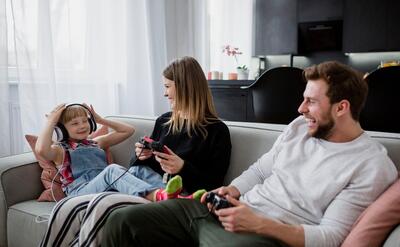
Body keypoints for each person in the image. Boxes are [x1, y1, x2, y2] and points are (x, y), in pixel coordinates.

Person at [102, 61, 398, 247]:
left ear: (341, 107)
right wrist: (230, 189)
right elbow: (259, 171)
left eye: (310, 102)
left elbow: (331, 237)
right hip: (222, 212)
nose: (300, 109)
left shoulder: (370, 164)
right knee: (121, 221)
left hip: (262, 234)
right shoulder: (298, 128)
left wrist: (257, 224)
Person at [40, 56, 232, 247]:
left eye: (167, 86)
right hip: (147, 188)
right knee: (123, 178)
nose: (165, 94)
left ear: (184, 87)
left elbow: (213, 184)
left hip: (182, 196)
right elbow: (140, 166)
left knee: (105, 202)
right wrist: (141, 155)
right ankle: (163, 195)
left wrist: (182, 167)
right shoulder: (164, 121)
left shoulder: (217, 131)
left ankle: (171, 197)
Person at [36, 103, 189, 201]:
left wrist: (100, 120)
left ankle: (177, 196)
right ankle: (158, 196)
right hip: (80, 192)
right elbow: (41, 149)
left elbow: (128, 130)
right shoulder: (60, 150)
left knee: (138, 169)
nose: (82, 126)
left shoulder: (96, 142)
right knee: (112, 170)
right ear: (62, 130)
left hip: (106, 185)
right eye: (75, 123)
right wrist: (51, 122)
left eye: (85, 121)